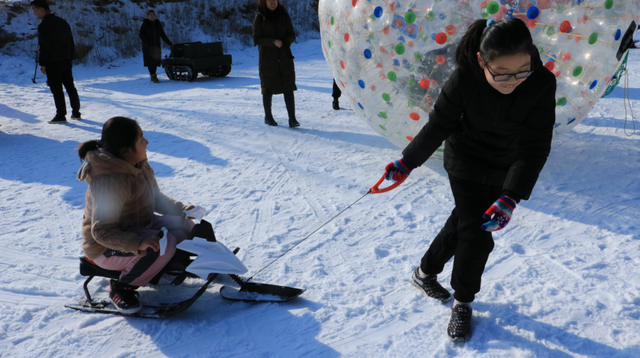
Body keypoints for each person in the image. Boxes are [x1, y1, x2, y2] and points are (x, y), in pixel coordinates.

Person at [383, 18, 556, 342]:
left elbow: (535, 144)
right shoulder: (465, 77)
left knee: (464, 220)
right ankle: (463, 301)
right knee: (477, 233)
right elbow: (438, 126)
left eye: (522, 70)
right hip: (465, 162)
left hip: (505, 164)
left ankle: (424, 272)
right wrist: (407, 162)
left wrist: (511, 196)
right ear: (482, 61)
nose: (513, 81)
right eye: (501, 73)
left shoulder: (542, 82)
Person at [77, 117, 197, 313]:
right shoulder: (109, 181)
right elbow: (102, 231)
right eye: (141, 138)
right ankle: (123, 287)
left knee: (186, 226)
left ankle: (166, 265)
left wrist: (180, 209)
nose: (147, 142)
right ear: (126, 150)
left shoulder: (137, 163)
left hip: (141, 224)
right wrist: (137, 243)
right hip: (106, 246)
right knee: (162, 247)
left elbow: (154, 197)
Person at [30, 0, 81, 124]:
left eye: (35, 10)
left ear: (42, 10)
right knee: (70, 86)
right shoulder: (63, 22)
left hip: (53, 62)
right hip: (65, 60)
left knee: (56, 89)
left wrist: (42, 63)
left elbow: (45, 46)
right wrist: (70, 57)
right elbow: (71, 42)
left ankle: (60, 114)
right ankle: (76, 112)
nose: (34, 13)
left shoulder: (44, 25)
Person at [252, 0, 300, 127]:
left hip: (285, 58)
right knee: (267, 88)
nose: (273, 2)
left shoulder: (284, 14)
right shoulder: (260, 17)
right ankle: (268, 117)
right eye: (270, 0)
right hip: (268, 60)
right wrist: (272, 42)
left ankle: (292, 119)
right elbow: (257, 39)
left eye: (275, 0)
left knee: (288, 87)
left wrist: (285, 43)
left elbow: (291, 34)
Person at [139, 10, 173, 83]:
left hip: (156, 46)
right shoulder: (144, 24)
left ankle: (154, 75)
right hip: (148, 46)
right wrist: (146, 42)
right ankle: (153, 76)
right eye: (150, 15)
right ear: (147, 16)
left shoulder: (157, 24)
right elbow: (141, 35)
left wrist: (170, 43)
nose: (152, 17)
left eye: (153, 15)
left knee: (155, 61)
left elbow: (162, 34)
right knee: (150, 62)